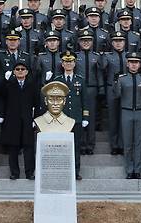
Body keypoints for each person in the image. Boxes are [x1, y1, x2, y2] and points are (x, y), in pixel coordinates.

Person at [114, 52, 141, 179]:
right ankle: (129, 170)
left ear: (139, 64)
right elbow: (117, 95)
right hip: (126, 111)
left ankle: (138, 170)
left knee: (139, 143)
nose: (134, 65)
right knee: (128, 143)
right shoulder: (122, 78)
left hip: (140, 111)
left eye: (136, 62)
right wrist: (115, 82)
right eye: (131, 62)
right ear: (127, 64)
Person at [1, 60, 37, 180]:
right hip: (12, 120)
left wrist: (35, 119)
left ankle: (30, 172)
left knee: (29, 148)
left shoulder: (32, 85)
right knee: (13, 148)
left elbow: (37, 103)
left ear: (26, 71)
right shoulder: (9, 84)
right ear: (13, 72)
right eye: (17, 69)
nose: (20, 71)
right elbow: (2, 99)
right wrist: (5, 81)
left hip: (27, 120)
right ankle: (14, 173)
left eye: (22, 69)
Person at [54, 51, 88, 180]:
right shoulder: (57, 80)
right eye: (66, 62)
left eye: (71, 62)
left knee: (75, 146)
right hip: (61, 119)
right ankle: (61, 171)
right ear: (62, 64)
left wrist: (85, 117)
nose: (68, 64)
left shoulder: (80, 80)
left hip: (76, 118)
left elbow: (85, 100)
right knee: (61, 146)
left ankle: (75, 171)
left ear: (74, 63)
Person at [75, 29, 102, 155]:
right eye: (83, 40)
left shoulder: (97, 56)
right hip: (77, 89)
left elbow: (100, 74)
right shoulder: (75, 56)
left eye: (88, 40)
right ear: (79, 42)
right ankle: (80, 144)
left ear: (92, 42)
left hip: (92, 89)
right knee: (79, 117)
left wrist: (101, 88)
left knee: (90, 118)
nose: (86, 43)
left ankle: (90, 145)